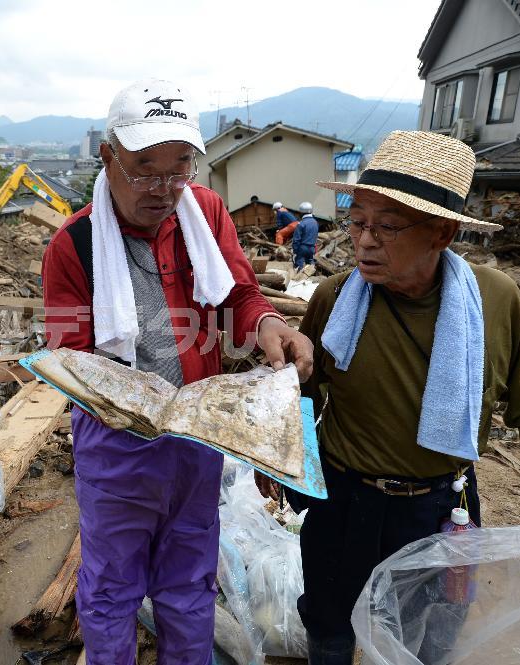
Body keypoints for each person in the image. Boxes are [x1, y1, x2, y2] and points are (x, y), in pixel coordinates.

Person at [255, 130, 520, 664]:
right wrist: (282, 460)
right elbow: (306, 392)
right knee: (329, 621)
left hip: (441, 508)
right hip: (342, 502)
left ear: (442, 232)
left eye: (387, 226)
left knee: (431, 633)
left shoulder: (493, 300)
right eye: (357, 221)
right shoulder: (335, 298)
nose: (363, 241)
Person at [42, 79, 314, 664]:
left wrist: (267, 324)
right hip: (116, 447)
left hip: (197, 438)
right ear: (107, 156)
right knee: (113, 587)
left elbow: (239, 292)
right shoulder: (75, 244)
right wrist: (132, 406)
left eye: (178, 169)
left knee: (189, 582)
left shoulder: (206, 212)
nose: (163, 190)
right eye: (144, 169)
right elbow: (72, 359)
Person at [292, 201, 318, 270]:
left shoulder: (301, 223)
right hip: (312, 248)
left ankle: (298, 278)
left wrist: (295, 251)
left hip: (302, 248)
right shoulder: (315, 222)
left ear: (301, 212)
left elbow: (296, 239)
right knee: (310, 266)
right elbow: (315, 236)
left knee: (298, 266)